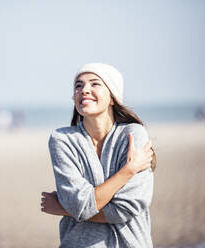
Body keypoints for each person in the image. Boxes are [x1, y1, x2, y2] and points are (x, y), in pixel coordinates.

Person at [40, 63, 156, 248]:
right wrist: (128, 170)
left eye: (95, 84)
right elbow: (80, 204)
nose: (84, 90)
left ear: (112, 98)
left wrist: (66, 209)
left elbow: (127, 207)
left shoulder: (134, 135)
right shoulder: (62, 140)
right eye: (79, 86)